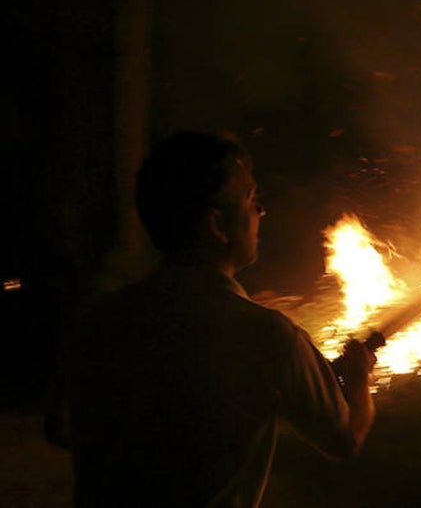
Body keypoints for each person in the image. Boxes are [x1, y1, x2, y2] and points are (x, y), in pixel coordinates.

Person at [67, 131, 376, 508]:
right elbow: (344, 438)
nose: (260, 211)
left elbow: (62, 427)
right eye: (250, 199)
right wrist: (358, 379)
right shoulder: (268, 337)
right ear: (217, 224)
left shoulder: (98, 321)